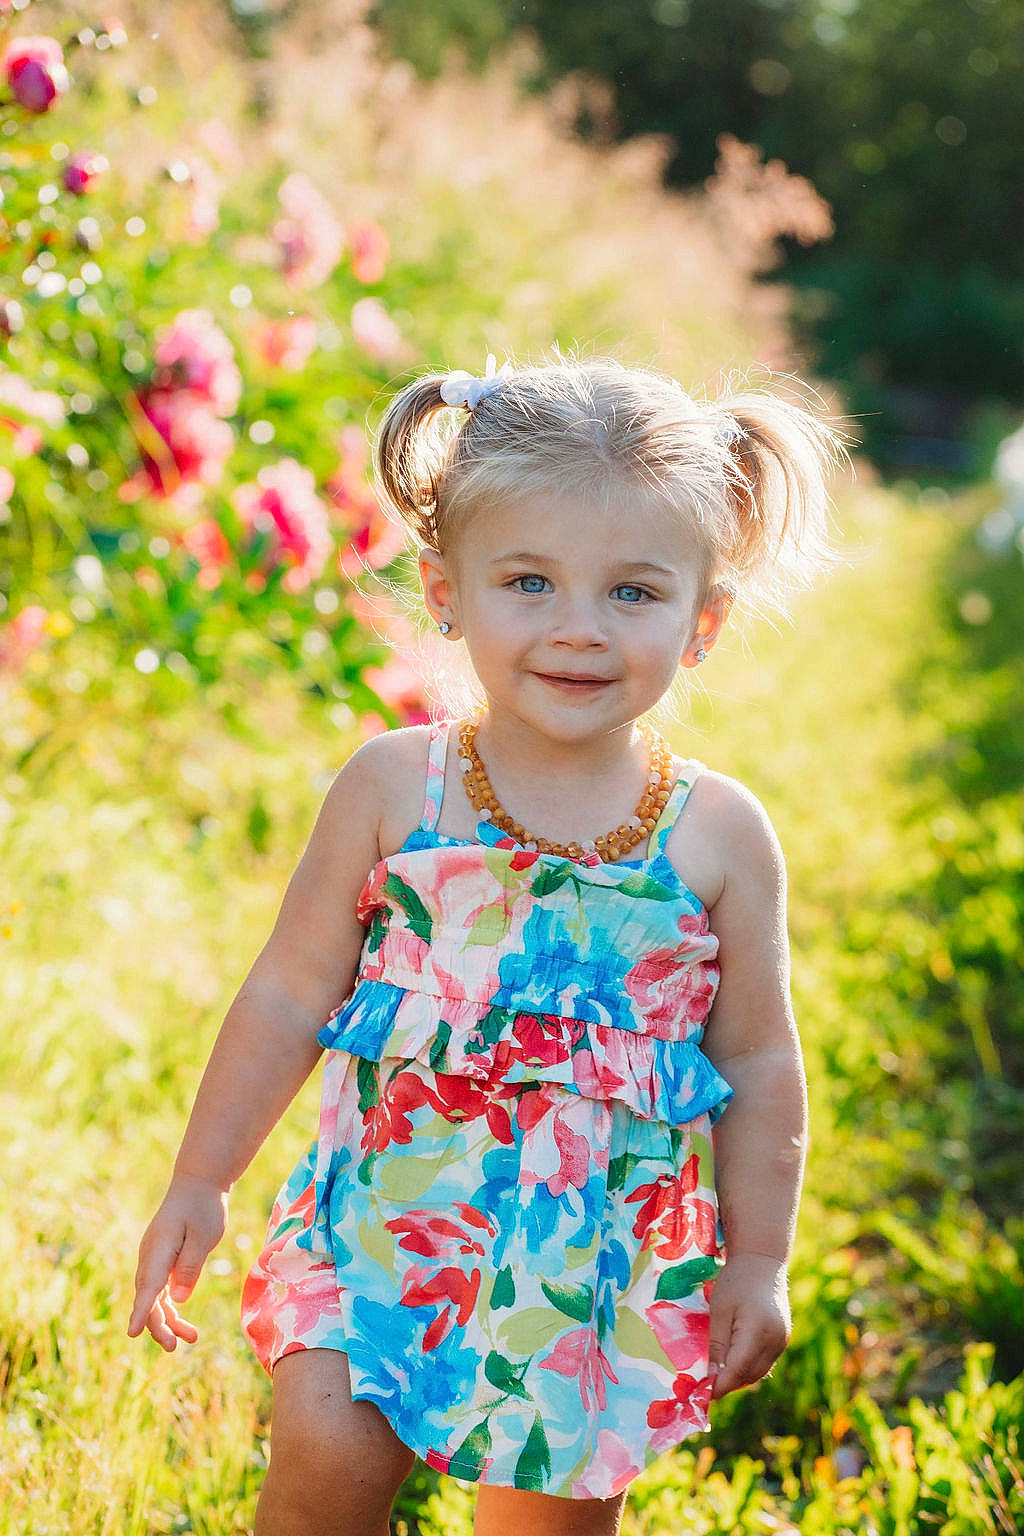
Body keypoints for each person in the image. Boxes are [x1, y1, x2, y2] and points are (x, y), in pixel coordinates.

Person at [127, 348, 854, 1536]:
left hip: (588, 1273)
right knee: (326, 1447)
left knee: (543, 1521)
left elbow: (763, 1061)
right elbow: (287, 991)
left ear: (703, 619)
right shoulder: (395, 789)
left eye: (632, 592)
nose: (578, 630)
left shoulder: (716, 836)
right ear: (447, 590)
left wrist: (758, 1260)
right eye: (528, 581)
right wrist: (202, 1178)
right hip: (380, 1226)